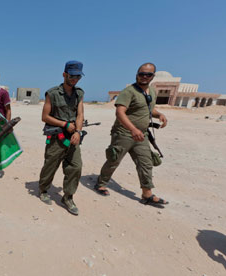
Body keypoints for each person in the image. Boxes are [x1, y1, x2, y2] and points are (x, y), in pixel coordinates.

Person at [95, 63, 169, 207]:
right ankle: (101, 183)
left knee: (146, 163)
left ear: (153, 76)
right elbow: (120, 112)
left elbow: (148, 109)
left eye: (148, 74)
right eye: (142, 74)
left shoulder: (152, 92)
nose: (144, 77)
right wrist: (133, 129)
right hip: (123, 133)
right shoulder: (128, 92)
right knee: (114, 160)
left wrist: (159, 114)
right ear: (136, 75)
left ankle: (147, 194)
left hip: (141, 135)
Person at [38, 60, 85, 215]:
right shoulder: (52, 93)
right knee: (50, 165)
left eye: (78, 77)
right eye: (72, 76)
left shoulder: (79, 93)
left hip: (73, 136)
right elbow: (45, 117)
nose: (75, 79)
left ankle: (68, 197)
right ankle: (44, 189)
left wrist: (78, 131)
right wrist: (65, 124)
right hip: (56, 137)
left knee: (75, 167)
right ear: (64, 74)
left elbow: (80, 114)